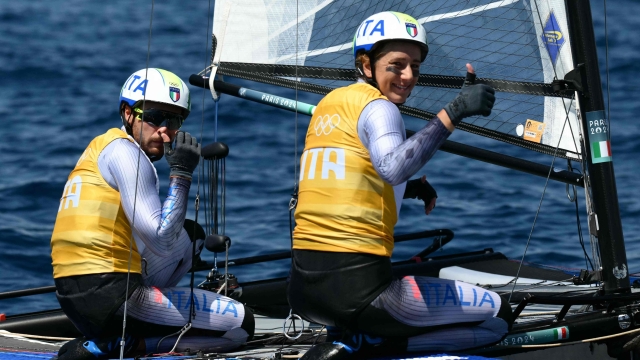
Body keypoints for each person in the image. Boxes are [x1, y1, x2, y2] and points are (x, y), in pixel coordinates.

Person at [287, 11, 511, 359]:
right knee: (496, 316)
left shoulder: (329, 105)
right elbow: (392, 168)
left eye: (416, 67)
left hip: (303, 290)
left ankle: (357, 341)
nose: (408, 77)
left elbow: (340, 180)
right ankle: (363, 348)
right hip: (360, 295)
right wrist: (455, 111)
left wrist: (412, 188)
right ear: (366, 65)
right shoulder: (379, 108)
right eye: (397, 65)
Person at [50, 68, 254, 359]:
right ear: (127, 113)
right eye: (155, 117)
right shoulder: (128, 155)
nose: (165, 130)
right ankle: (120, 345)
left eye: (175, 120)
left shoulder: (100, 149)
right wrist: (182, 173)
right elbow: (160, 241)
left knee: (191, 235)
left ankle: (112, 335)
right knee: (243, 325)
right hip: (114, 296)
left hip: (71, 296)